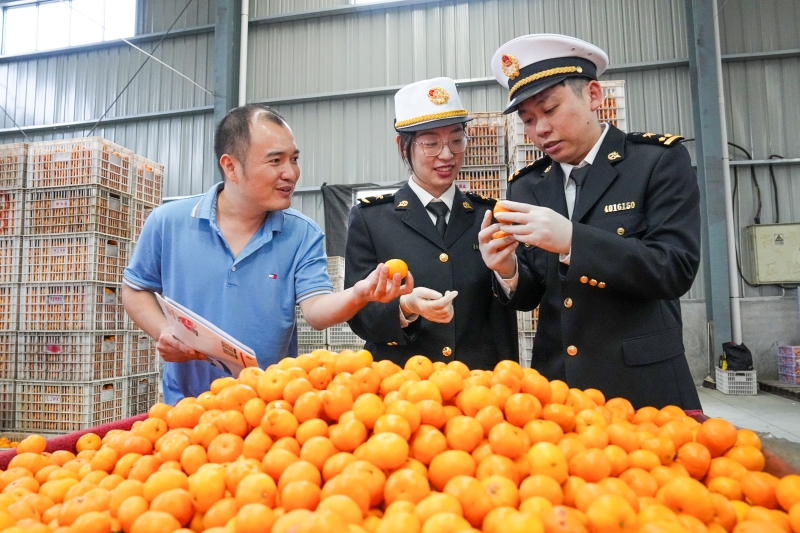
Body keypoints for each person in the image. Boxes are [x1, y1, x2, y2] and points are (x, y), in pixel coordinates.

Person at [122, 104, 410, 404]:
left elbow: (316, 311)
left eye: (294, 159)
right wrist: (164, 330)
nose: (291, 173)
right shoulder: (168, 222)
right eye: (275, 160)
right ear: (231, 166)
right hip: (186, 407)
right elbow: (134, 288)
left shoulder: (301, 234)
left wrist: (359, 294)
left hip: (269, 411)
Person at [479, 35, 702, 410]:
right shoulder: (528, 186)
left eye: (550, 109)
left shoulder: (655, 162)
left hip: (642, 385)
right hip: (559, 388)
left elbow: (674, 269)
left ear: (594, 95)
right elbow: (533, 294)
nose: (540, 129)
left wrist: (573, 241)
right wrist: (508, 270)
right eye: (528, 120)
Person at [344, 77, 519, 369]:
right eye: (431, 144)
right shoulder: (371, 220)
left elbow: (517, 300)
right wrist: (404, 308)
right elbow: (358, 312)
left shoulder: (488, 216)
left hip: (479, 384)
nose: (447, 155)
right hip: (404, 383)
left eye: (456, 140)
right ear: (403, 147)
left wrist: (509, 272)